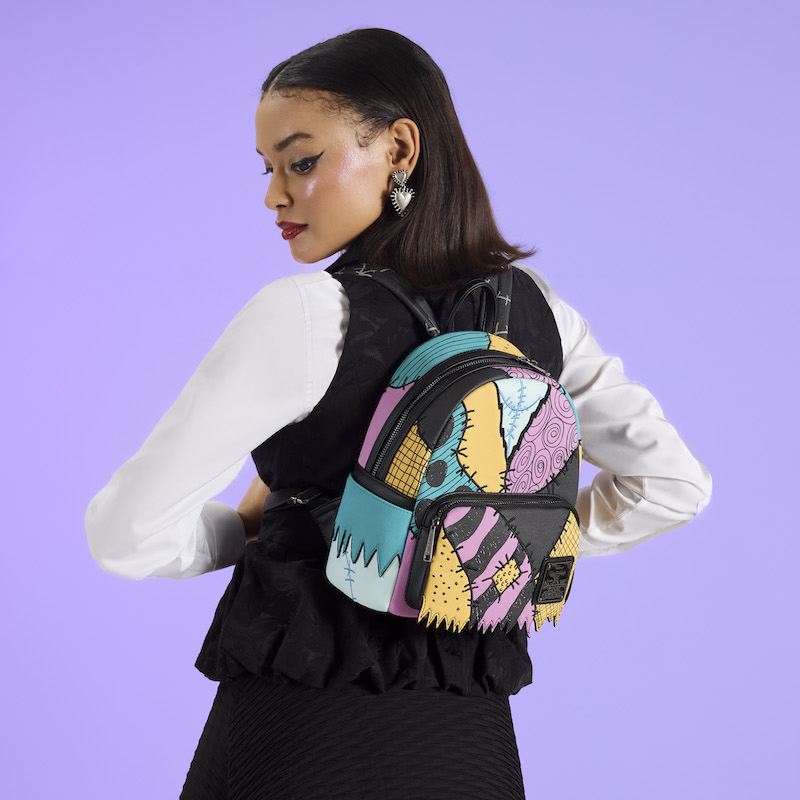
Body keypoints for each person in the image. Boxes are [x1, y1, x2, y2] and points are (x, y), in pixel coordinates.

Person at [84, 28, 712, 800]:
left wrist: (249, 526)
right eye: (270, 169)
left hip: (303, 731)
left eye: (302, 161)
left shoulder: (309, 315)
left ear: (401, 148)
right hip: (470, 742)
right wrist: (504, 547)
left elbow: (124, 533)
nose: (275, 195)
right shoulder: (538, 313)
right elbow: (672, 485)